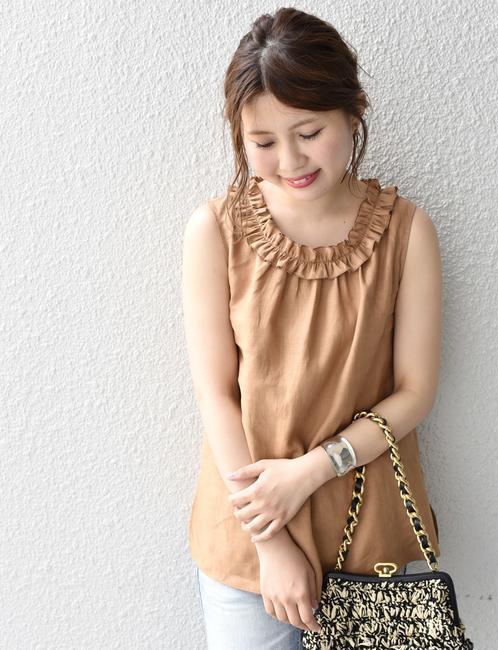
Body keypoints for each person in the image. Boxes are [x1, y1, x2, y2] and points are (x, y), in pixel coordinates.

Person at [181, 7, 442, 649]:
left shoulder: (407, 232)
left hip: (372, 540)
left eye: (309, 132)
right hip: (249, 545)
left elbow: (414, 392)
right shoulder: (214, 231)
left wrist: (309, 472)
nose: (290, 159)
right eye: (263, 142)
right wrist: (271, 544)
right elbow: (217, 395)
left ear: (353, 113)